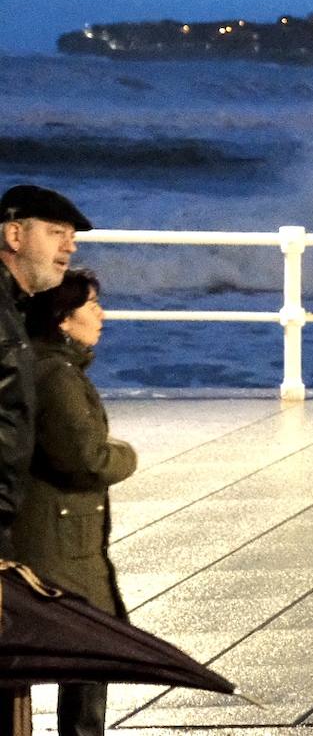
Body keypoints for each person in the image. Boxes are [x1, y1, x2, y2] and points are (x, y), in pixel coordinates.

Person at [11, 268, 136, 736]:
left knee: (80, 653)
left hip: (63, 534)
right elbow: (86, 458)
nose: (101, 314)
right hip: (61, 541)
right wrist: (126, 455)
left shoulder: (48, 367)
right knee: (87, 651)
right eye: (91, 305)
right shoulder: (57, 377)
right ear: (64, 318)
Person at [0, 183, 91, 736]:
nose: (70, 247)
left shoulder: (10, 309)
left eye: (72, 238)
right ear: (13, 234)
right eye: (57, 233)